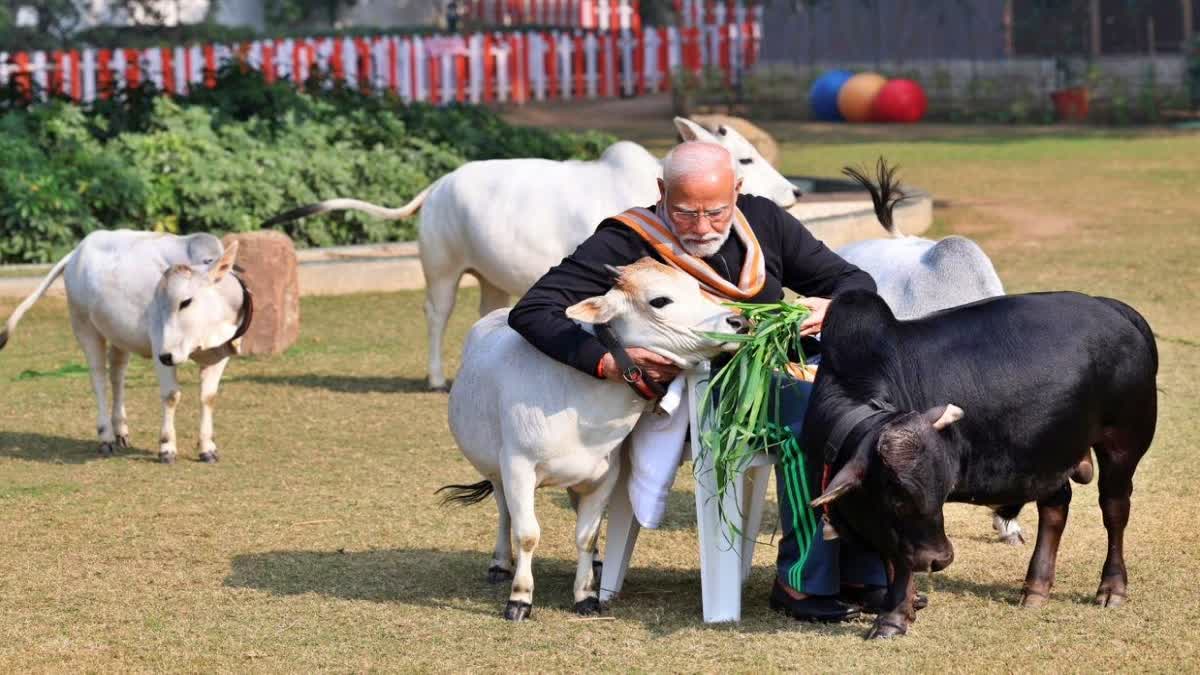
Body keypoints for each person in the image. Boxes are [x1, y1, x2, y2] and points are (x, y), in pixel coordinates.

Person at [508, 141, 891, 622]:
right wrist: (612, 363)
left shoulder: (763, 222)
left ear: (738, 190)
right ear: (662, 192)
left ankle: (862, 571)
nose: (703, 228)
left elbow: (853, 281)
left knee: (869, 415)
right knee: (812, 416)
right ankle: (801, 582)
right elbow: (533, 310)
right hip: (696, 393)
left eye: (716, 211)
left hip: (774, 371)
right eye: (686, 212)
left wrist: (833, 306)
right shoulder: (628, 239)